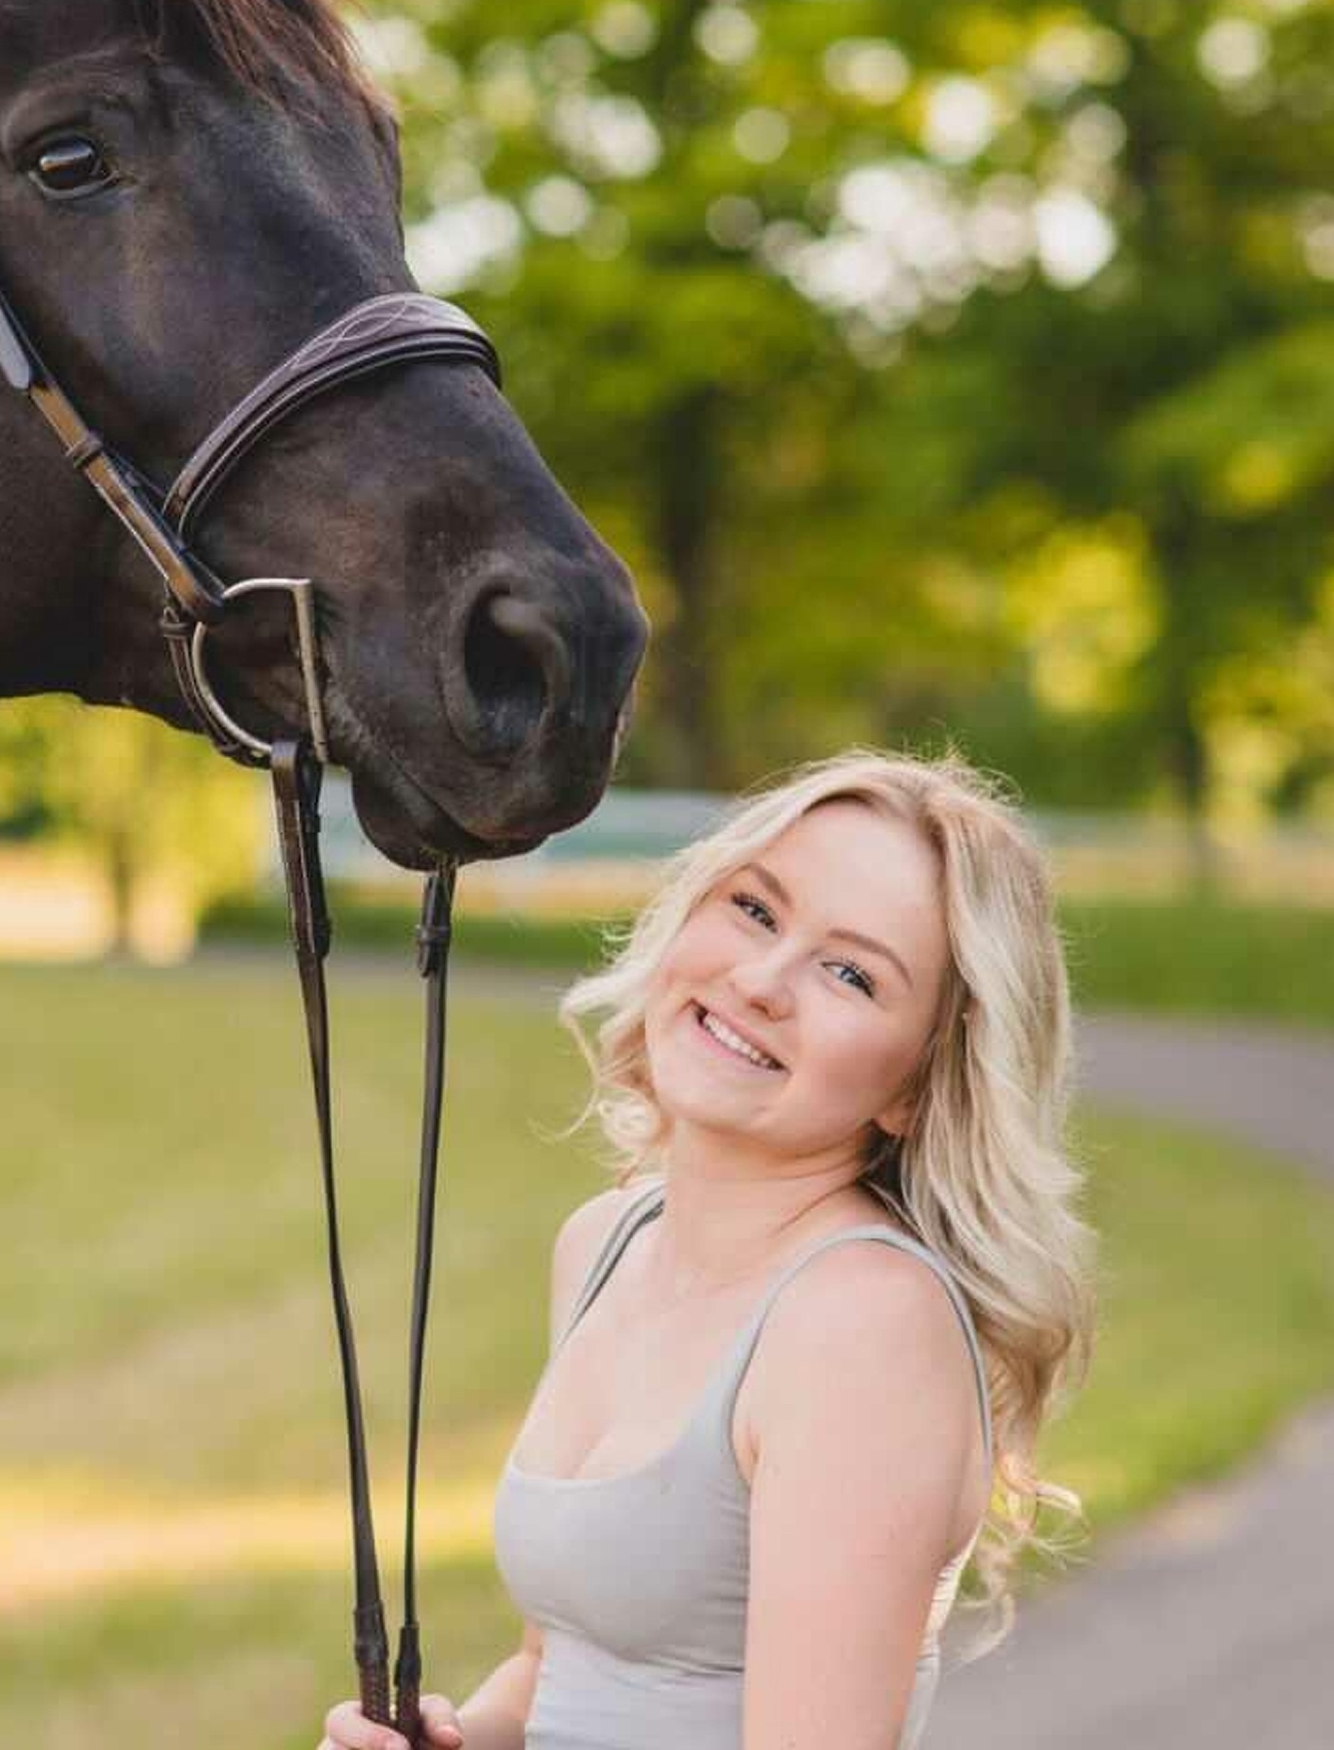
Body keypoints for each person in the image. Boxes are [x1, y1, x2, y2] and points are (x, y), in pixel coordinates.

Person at [317, 747, 1095, 1750]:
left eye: (850, 973)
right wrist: (455, 1738)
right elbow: (557, 1670)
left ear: (915, 1086)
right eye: (756, 909)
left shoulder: (861, 1324)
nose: (762, 979)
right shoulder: (606, 1241)